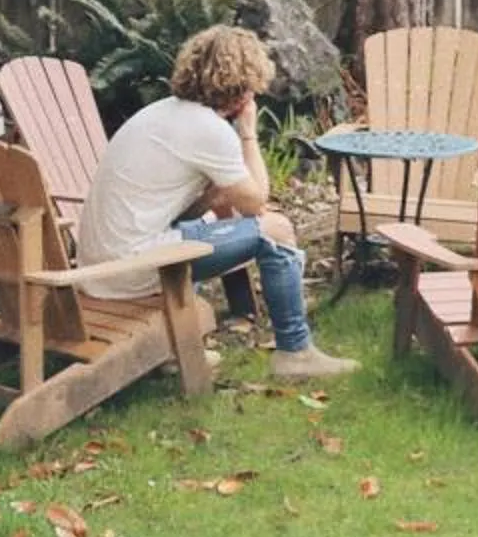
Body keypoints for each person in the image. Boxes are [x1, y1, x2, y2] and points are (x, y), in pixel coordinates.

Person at [75, 26, 358, 381]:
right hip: (128, 273)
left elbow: (183, 210)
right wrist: (248, 132)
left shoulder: (161, 112)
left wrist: (216, 197)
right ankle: (295, 353)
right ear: (243, 89)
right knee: (278, 230)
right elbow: (257, 202)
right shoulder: (208, 129)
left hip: (101, 264)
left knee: (215, 220)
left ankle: (171, 349)